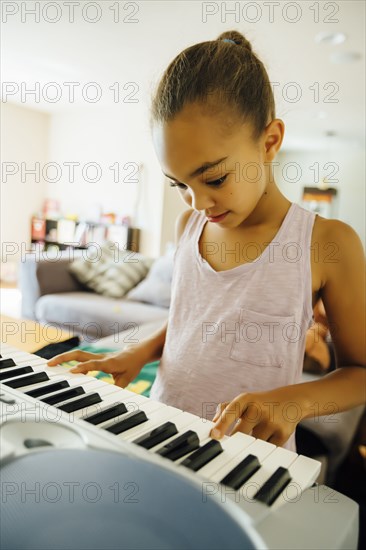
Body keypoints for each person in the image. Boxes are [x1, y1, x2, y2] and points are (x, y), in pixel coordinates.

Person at [48, 31, 366, 452]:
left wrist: (295, 402)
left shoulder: (326, 242)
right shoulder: (189, 226)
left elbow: (360, 371)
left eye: (214, 178)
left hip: (248, 458)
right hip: (163, 429)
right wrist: (138, 353)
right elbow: (193, 319)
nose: (198, 202)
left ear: (270, 142)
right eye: (180, 183)